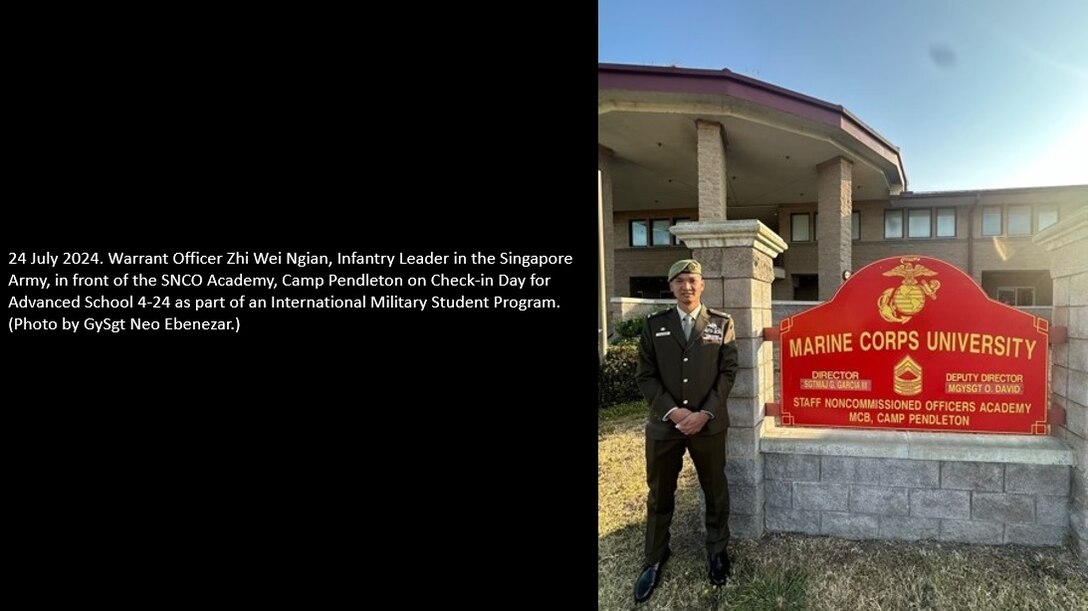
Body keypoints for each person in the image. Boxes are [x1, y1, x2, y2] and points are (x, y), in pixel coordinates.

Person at [632, 258, 739, 603]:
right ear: (671, 286)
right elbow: (645, 375)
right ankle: (655, 556)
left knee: (715, 489)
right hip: (665, 426)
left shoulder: (721, 323)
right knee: (660, 492)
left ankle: (717, 550)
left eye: (692, 280)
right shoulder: (655, 325)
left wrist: (704, 413)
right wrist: (675, 412)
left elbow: (728, 371)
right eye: (679, 281)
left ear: (702, 284)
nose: (686, 286)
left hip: (708, 425)